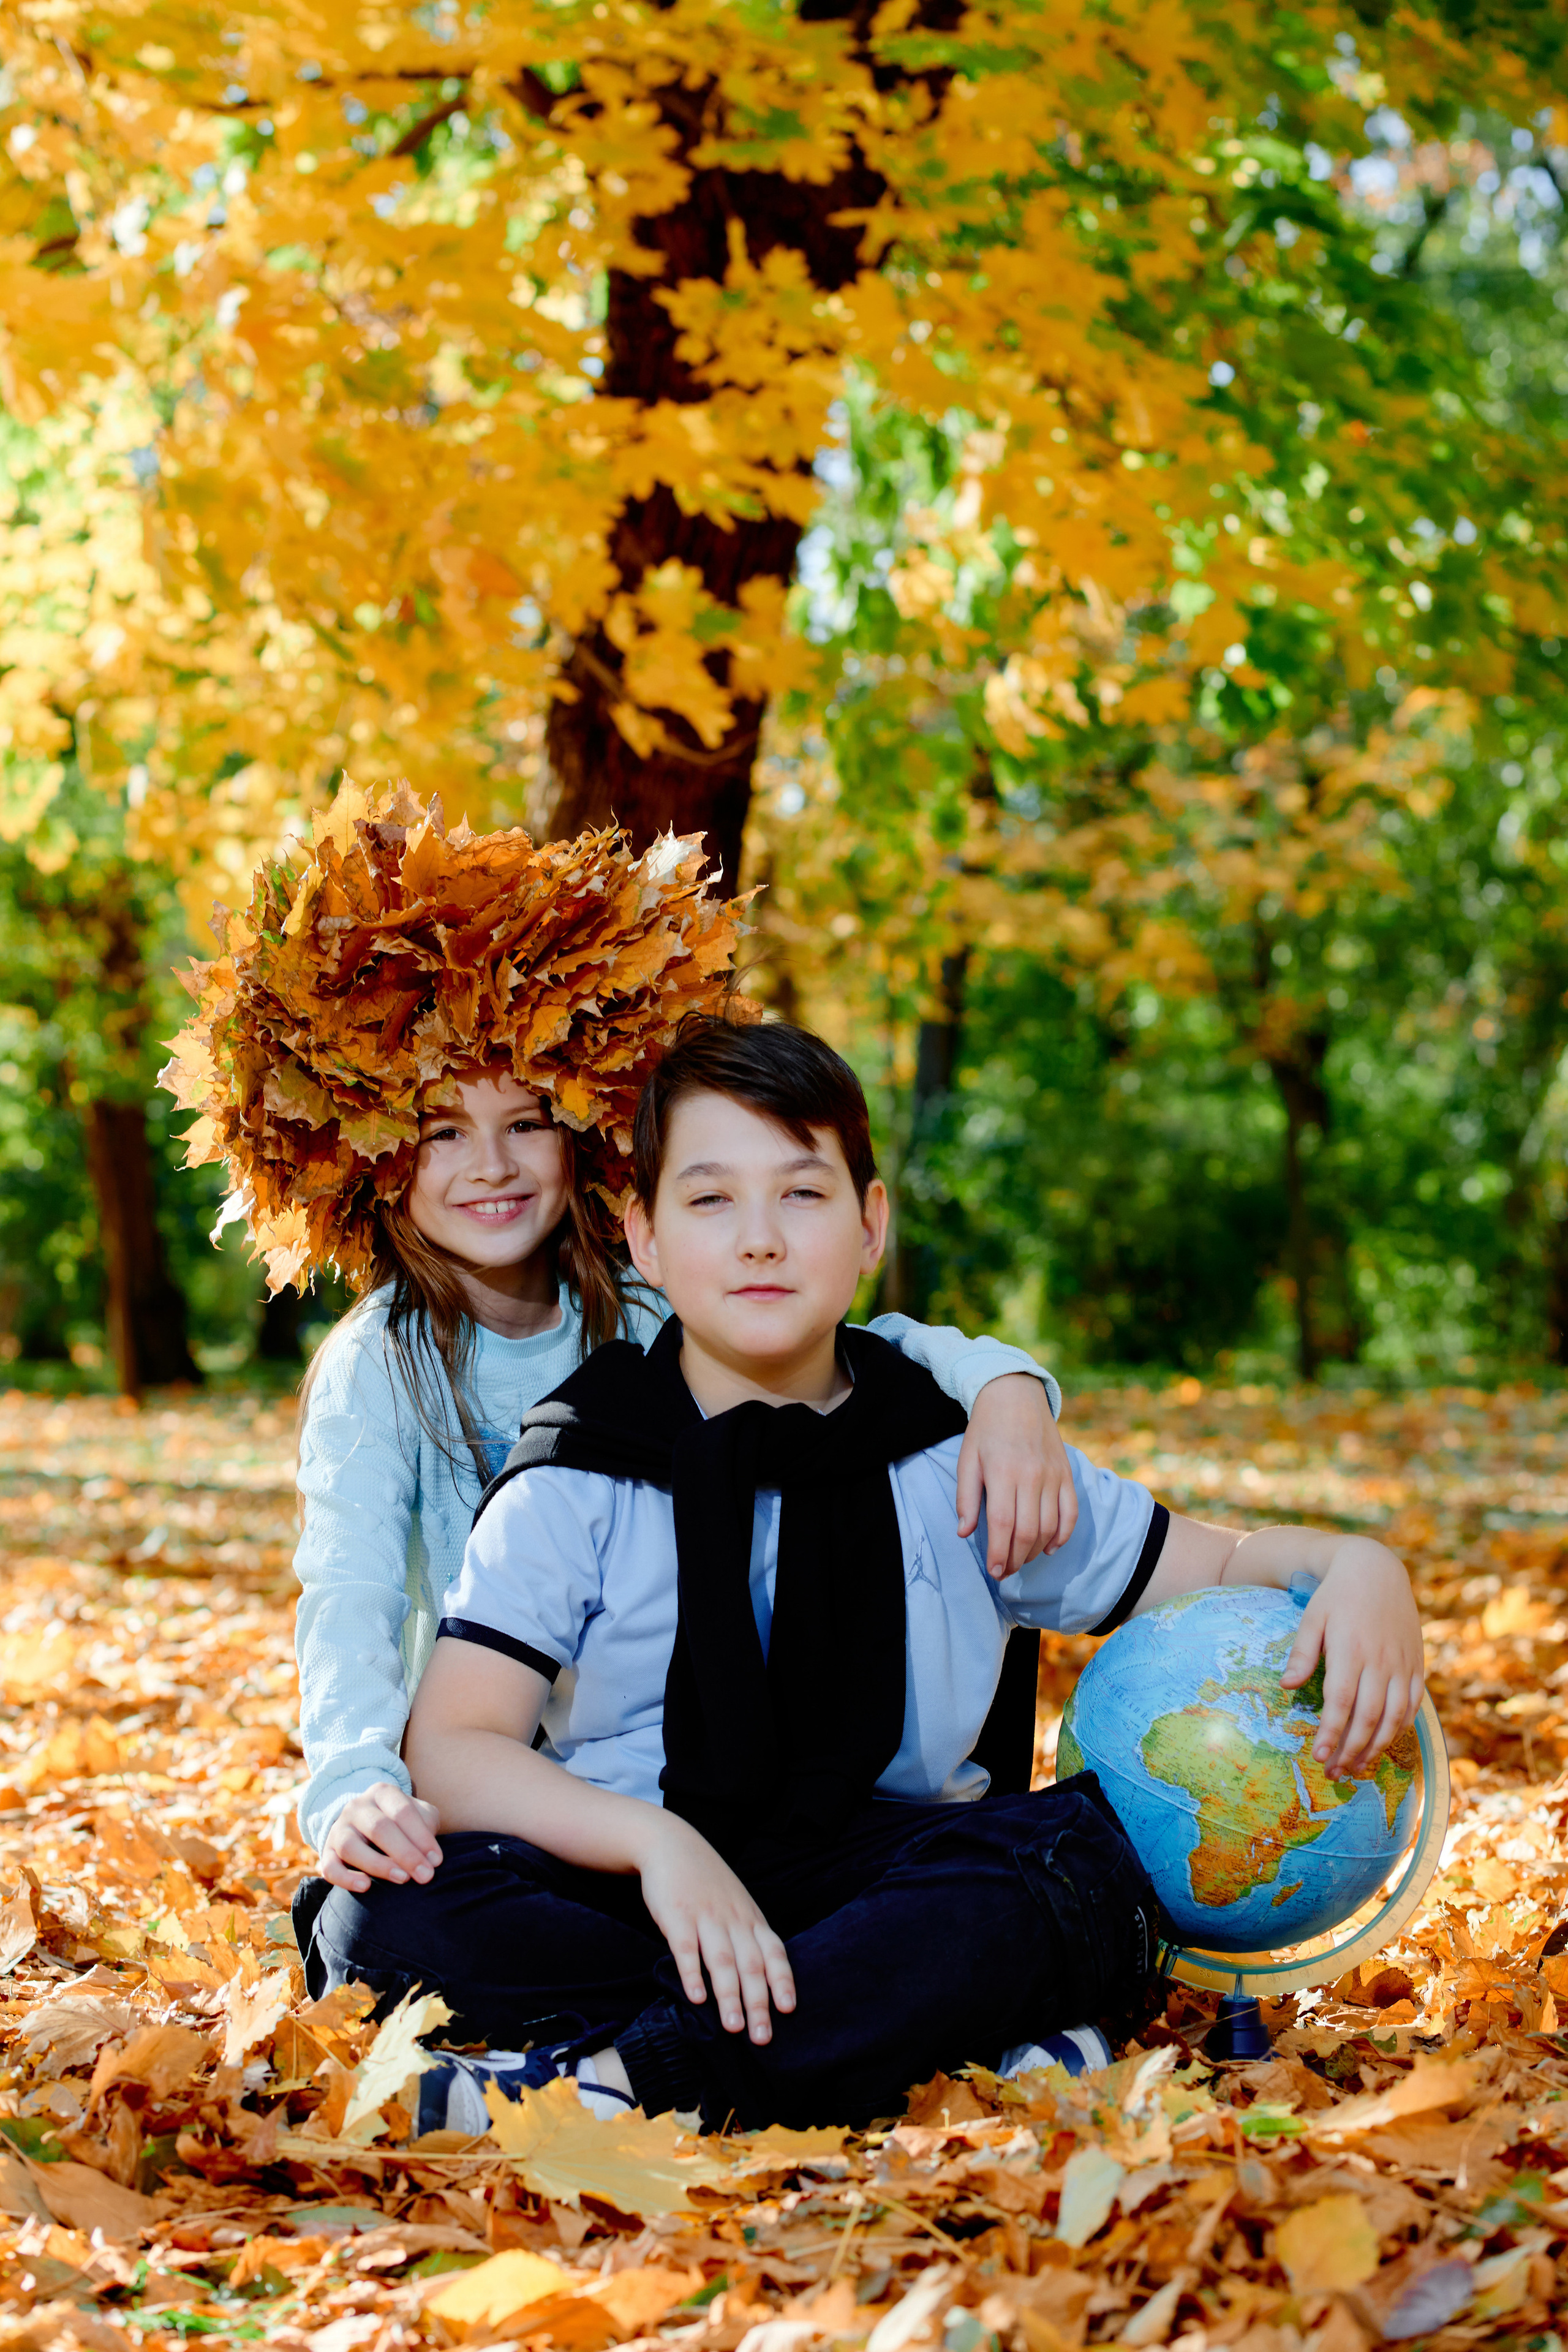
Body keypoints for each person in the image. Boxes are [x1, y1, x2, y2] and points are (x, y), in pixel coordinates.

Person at [304, 1017, 1425, 2133]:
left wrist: (1354, 1562)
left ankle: (622, 2085)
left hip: (883, 1869)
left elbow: (1219, 1565)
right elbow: (455, 1746)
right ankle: (904, 2021)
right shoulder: (580, 1466)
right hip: (642, 1875)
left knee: (1061, 1864)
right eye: (709, 1201)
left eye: (802, 1194)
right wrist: (662, 1846)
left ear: (870, 1223)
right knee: (374, 1917)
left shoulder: (957, 1456)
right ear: (643, 1238)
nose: (759, 1242)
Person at [159, 781, 1077, 1906]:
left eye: (525, 1123)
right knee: (376, 1926)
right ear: (378, 1151)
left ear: (584, 1132)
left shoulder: (642, 1306)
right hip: (490, 1778)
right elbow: (348, 1594)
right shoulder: (378, 1367)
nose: (489, 1166)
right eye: (443, 1133)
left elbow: (855, 1347)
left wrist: (1007, 1389)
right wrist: (354, 1781)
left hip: (677, 1751)